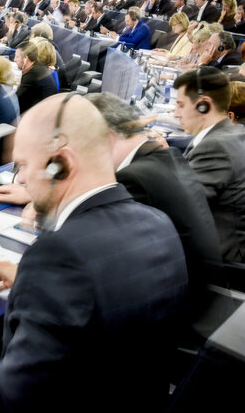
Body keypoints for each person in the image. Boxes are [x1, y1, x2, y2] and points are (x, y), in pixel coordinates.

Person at [0, 93, 188, 412]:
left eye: (26, 165)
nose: (24, 178)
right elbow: (105, 309)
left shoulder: (59, 255)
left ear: (63, 163)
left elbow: (7, 396)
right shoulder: (159, 222)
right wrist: (36, 285)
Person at [87, 92, 222, 314]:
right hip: (205, 296)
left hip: (180, 316)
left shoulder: (134, 180)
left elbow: (99, 256)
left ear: (107, 137)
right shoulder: (165, 158)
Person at [174, 67, 245, 262]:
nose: (175, 114)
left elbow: (182, 208)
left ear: (204, 105)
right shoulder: (232, 133)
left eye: (180, 105)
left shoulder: (216, 146)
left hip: (220, 262)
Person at [14, 42, 57, 113]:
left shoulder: (33, 74)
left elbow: (16, 100)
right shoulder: (38, 68)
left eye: (17, 57)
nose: (14, 60)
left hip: (38, 117)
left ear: (25, 58)